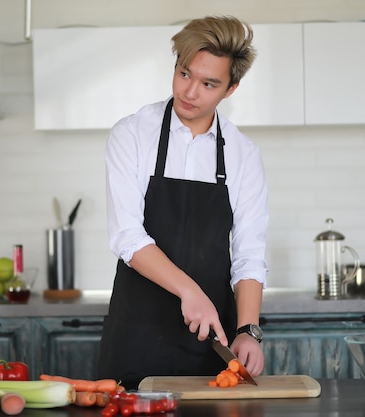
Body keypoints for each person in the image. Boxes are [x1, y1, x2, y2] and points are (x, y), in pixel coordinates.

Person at [98, 15, 269, 389]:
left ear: (231, 88)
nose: (190, 92)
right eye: (184, 73)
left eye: (209, 84)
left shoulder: (242, 154)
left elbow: (249, 253)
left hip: (209, 342)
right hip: (136, 337)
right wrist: (190, 291)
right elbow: (127, 235)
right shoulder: (132, 135)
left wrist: (248, 330)